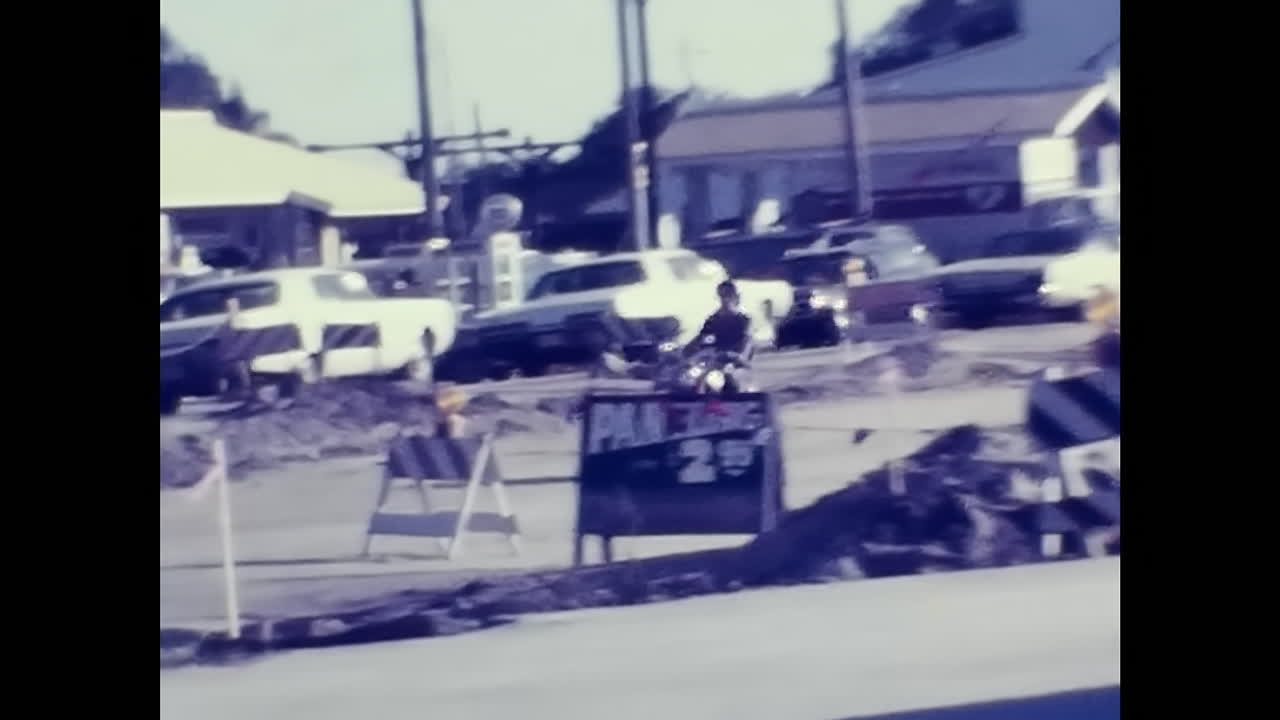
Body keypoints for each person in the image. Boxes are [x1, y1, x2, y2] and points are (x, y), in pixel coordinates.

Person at [688, 280, 753, 362]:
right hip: (714, 357)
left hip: (734, 361)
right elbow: (701, 337)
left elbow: (747, 340)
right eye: (722, 295)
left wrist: (742, 356)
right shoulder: (713, 319)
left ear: (735, 296)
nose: (725, 299)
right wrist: (686, 351)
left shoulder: (743, 319)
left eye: (728, 294)